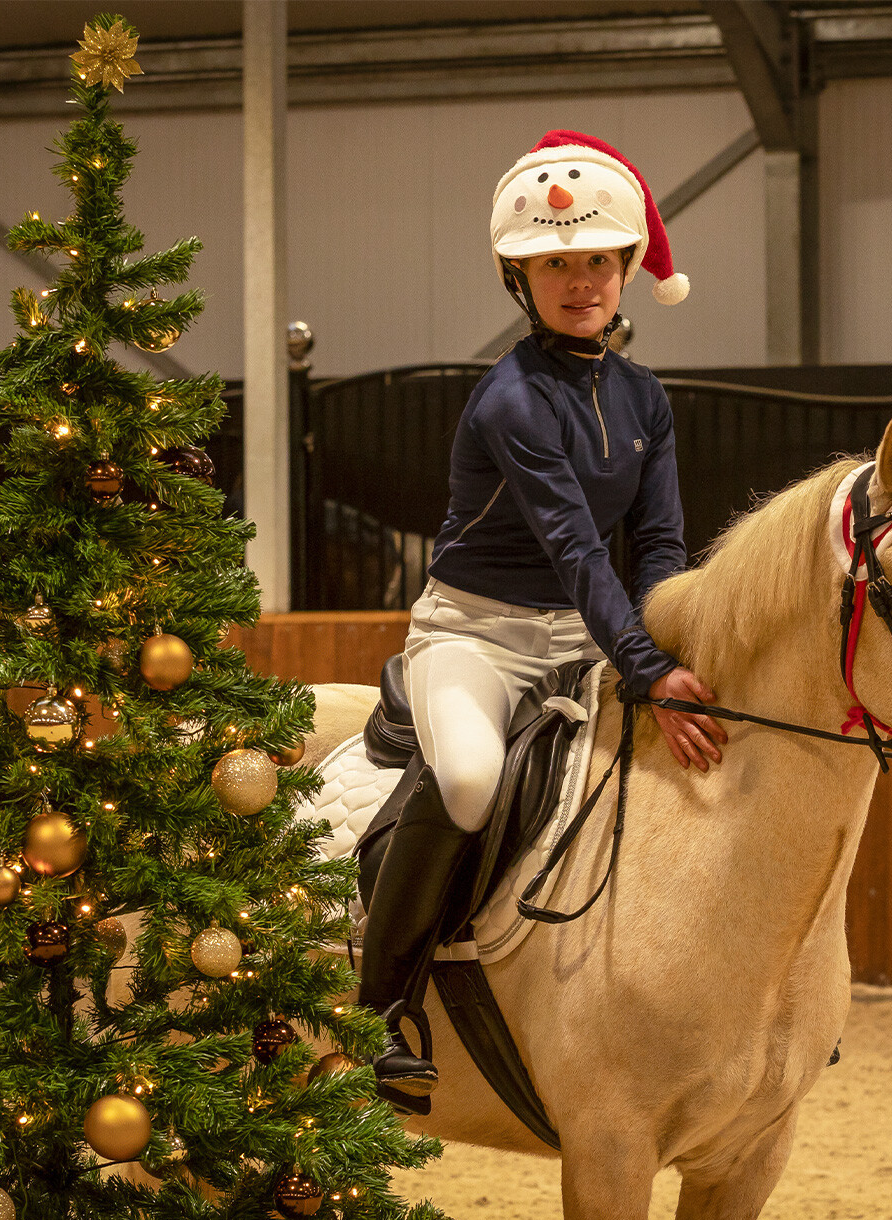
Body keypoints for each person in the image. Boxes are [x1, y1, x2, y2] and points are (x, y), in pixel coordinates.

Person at [356, 130, 729, 1108]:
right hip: (472, 637)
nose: (579, 279)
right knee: (472, 777)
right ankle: (380, 1006)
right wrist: (647, 670)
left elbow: (654, 546)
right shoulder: (508, 400)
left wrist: (673, 646)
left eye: (597, 260)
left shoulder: (645, 397)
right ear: (519, 276)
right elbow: (572, 547)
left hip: (577, 640)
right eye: (554, 262)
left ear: (623, 269)